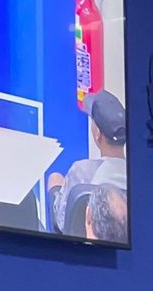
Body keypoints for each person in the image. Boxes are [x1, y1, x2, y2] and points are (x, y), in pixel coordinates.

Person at [47, 90, 127, 234]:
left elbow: (62, 221)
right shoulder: (137, 178)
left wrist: (55, 187)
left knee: (55, 178)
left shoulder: (81, 171)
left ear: (98, 134)